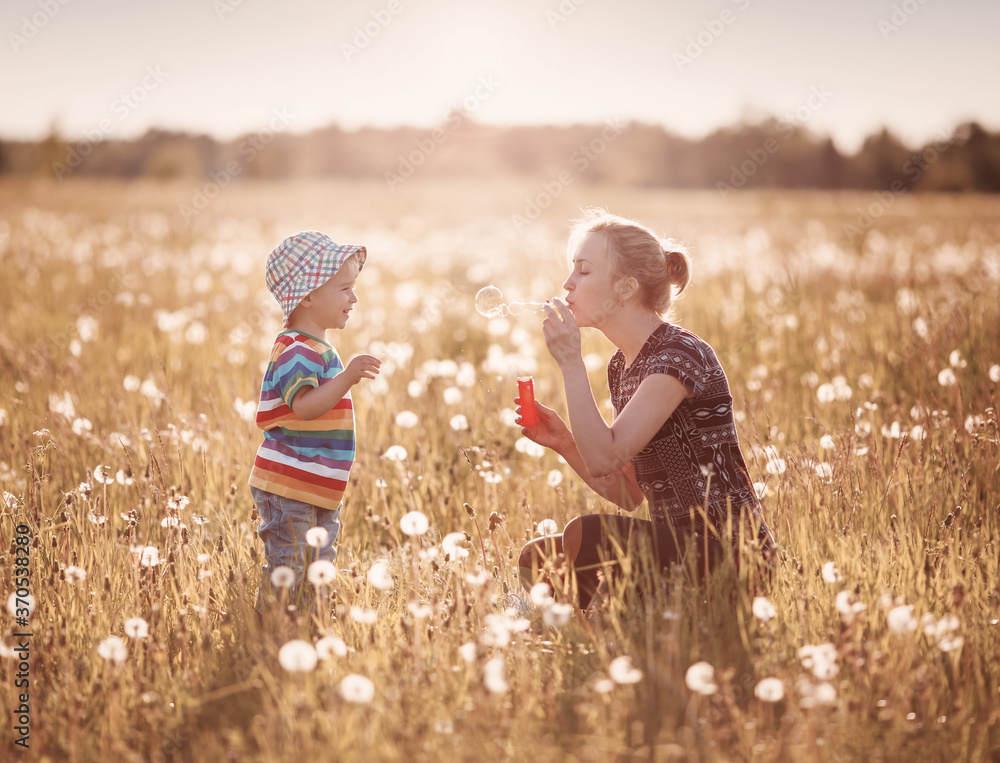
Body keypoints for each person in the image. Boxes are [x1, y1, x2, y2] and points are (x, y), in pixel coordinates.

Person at [517, 209, 771, 609]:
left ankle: (577, 633)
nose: (567, 283)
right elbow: (628, 492)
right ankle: (554, 630)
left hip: (732, 556)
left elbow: (604, 456)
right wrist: (564, 443)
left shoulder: (680, 355)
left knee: (588, 535)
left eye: (583, 271)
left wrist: (570, 362)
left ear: (625, 288)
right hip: (677, 549)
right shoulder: (623, 366)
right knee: (537, 557)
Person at [248, 231, 381, 614]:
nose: (353, 298)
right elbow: (304, 407)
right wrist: (347, 377)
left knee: (317, 568)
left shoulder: (318, 347)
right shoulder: (295, 349)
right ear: (307, 296)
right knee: (289, 567)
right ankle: (273, 630)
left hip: (316, 486)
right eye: (344, 288)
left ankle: (304, 625)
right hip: (289, 486)